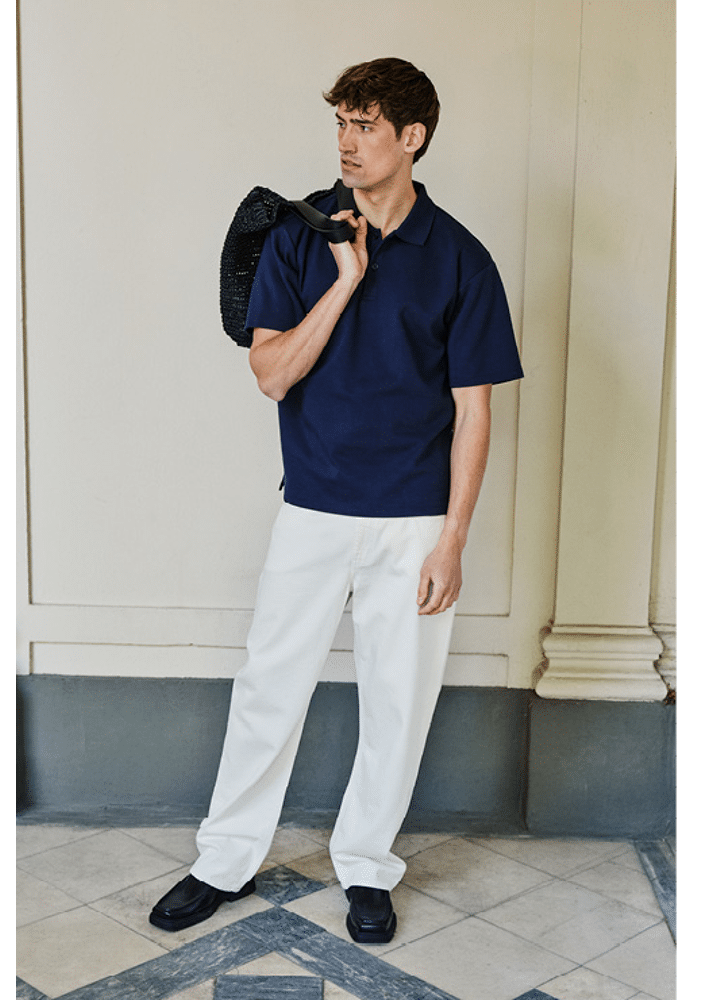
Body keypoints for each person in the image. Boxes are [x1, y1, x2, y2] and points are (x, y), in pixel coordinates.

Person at [150, 57, 523, 944]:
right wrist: (345, 281)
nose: (348, 144)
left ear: (412, 137)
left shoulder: (461, 258)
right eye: (342, 125)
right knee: (269, 688)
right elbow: (272, 375)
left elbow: (475, 412)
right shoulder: (298, 234)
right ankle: (224, 860)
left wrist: (452, 541)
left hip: (416, 519)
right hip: (315, 504)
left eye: (366, 126)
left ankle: (365, 866)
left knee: (399, 702)